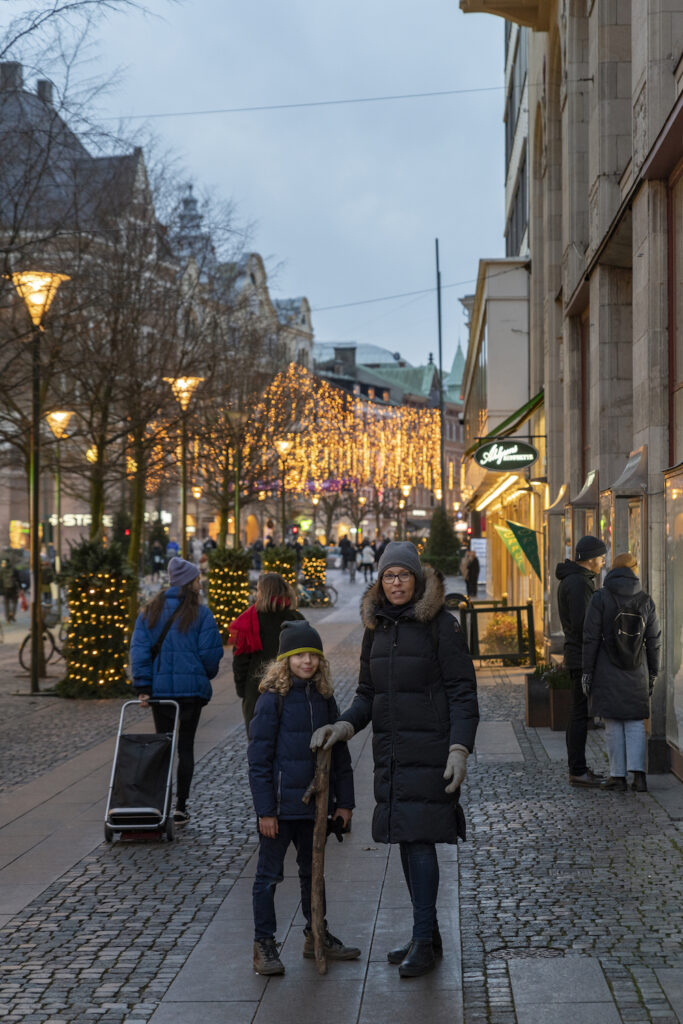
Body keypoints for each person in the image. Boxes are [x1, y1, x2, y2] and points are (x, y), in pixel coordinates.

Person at [311, 541, 479, 978]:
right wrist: (344, 726)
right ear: (380, 581)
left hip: (430, 751)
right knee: (407, 838)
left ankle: (423, 940)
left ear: (416, 579)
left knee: (419, 840)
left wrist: (460, 748)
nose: (396, 582)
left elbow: (463, 691)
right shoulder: (377, 629)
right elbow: (368, 694)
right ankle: (428, 933)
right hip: (393, 752)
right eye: (389, 576)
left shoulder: (441, 625)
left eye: (403, 575)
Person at [248, 620, 359, 976]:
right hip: (279, 811)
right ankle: (264, 943)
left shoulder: (324, 698)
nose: (307, 661)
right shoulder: (271, 700)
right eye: (299, 655)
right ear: (285, 660)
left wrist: (345, 803)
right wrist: (266, 810)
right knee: (268, 877)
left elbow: (338, 755)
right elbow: (259, 760)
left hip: (315, 807)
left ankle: (317, 935)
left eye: (313, 655)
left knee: (314, 874)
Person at [130, 556, 223, 824]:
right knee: (186, 747)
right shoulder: (201, 613)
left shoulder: (150, 611)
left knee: (164, 747)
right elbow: (210, 654)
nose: (200, 583)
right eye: (197, 579)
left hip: (161, 693)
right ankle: (181, 806)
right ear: (188, 582)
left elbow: (139, 651)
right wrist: (201, 674)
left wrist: (144, 686)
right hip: (191, 693)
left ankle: (159, 803)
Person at [582, 552, 661, 792]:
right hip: (637, 670)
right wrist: (653, 673)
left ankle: (617, 776)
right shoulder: (646, 600)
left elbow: (591, 638)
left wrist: (587, 671)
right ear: (634, 571)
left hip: (607, 668)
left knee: (613, 721)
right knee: (636, 721)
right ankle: (639, 776)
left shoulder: (601, 598)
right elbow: (653, 640)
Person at [555, 534, 607, 788]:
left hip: (577, 654)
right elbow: (582, 623)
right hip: (580, 656)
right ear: (590, 559)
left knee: (579, 714)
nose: (603, 560)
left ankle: (579, 767)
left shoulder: (578, 579)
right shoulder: (577, 583)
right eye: (601, 556)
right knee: (578, 714)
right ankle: (577, 770)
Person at [230, 573, 305, 734]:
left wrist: (242, 691)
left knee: (260, 742)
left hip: (257, 691)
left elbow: (240, 662)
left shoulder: (248, 621)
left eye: (258, 590)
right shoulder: (296, 618)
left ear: (263, 592)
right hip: (291, 689)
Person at [1, 558, 19, 622]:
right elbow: (18, 579)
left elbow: (1, 580)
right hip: (13, 588)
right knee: (14, 602)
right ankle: (12, 614)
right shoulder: (14, 569)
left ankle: (7, 618)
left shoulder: (2, 570)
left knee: (6, 603)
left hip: (5, 589)